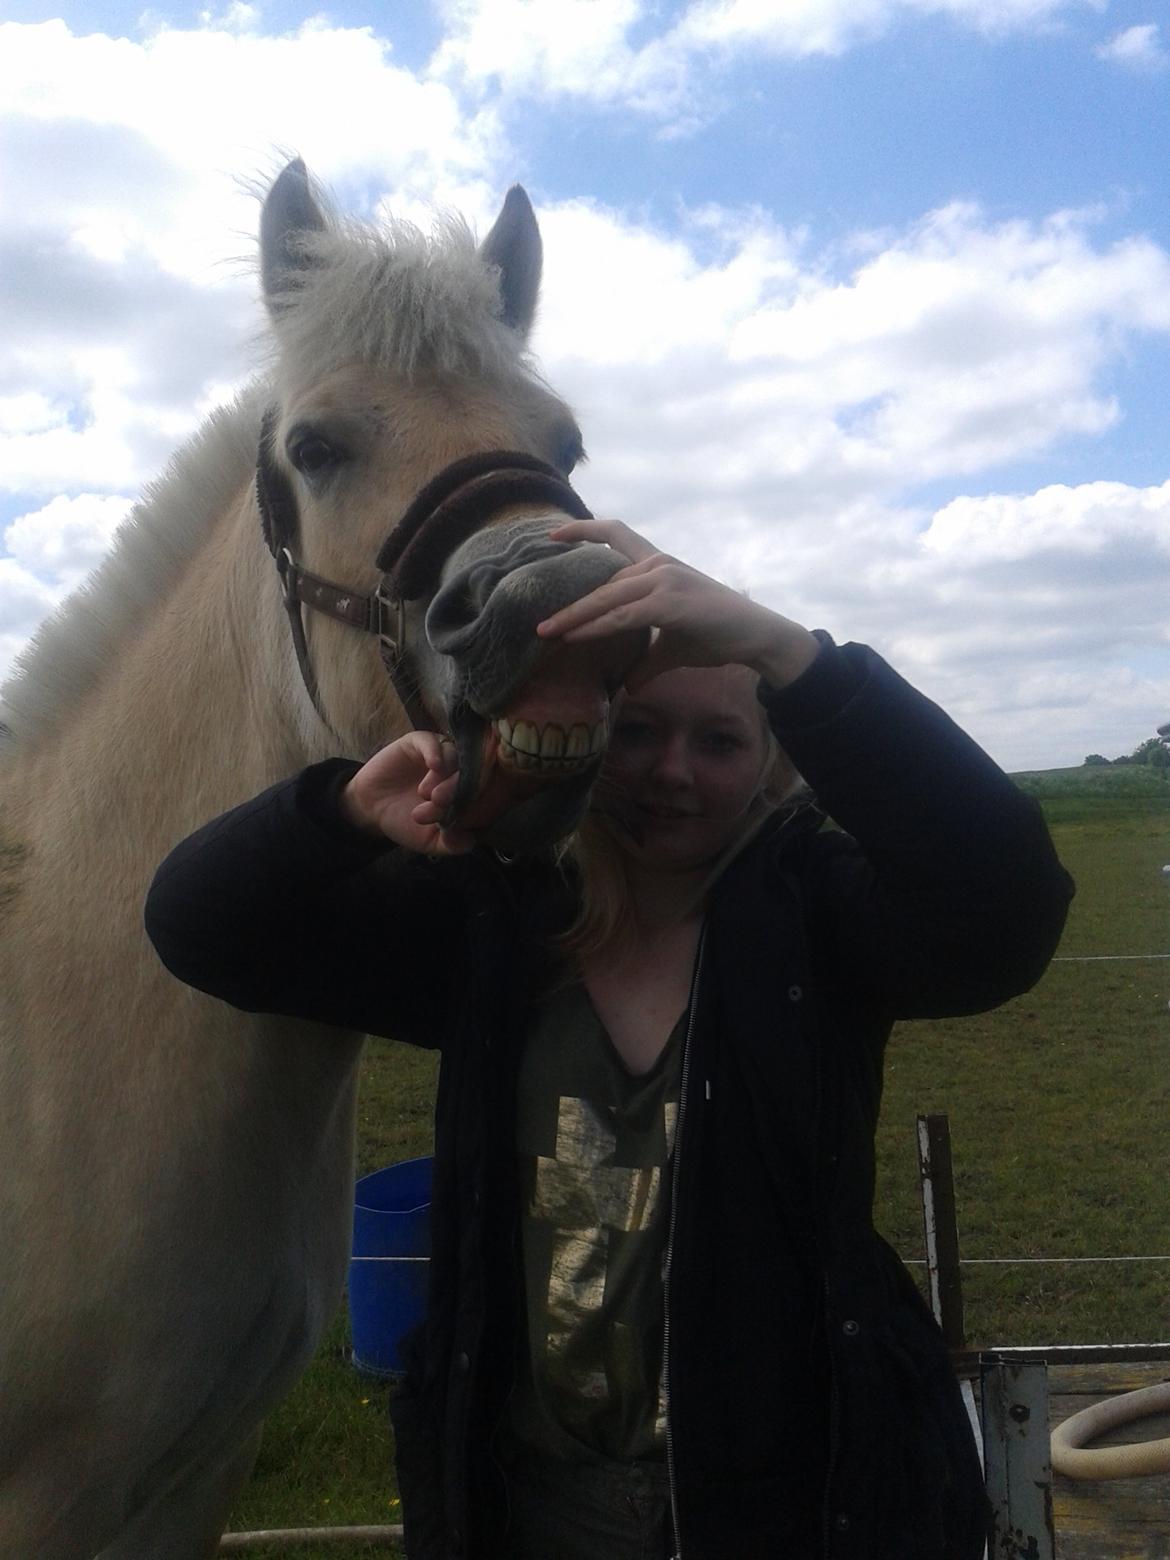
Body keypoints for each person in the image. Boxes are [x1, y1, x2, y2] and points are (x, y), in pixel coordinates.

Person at [145, 519, 1073, 1560]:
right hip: (535, 1504)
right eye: (639, 731)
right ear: (592, 735)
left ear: (773, 760)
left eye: (719, 741)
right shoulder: (496, 927)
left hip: (797, 1502)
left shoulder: (816, 920)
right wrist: (341, 812)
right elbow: (198, 930)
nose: (672, 771)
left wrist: (790, 652)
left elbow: (1007, 907)